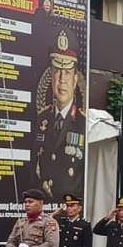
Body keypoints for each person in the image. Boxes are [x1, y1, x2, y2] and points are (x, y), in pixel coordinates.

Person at [34, 30, 87, 203]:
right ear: (51, 75)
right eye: (58, 71)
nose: (62, 80)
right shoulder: (41, 119)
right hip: (44, 204)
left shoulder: (83, 122)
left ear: (75, 80)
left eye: (68, 73)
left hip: (69, 204)